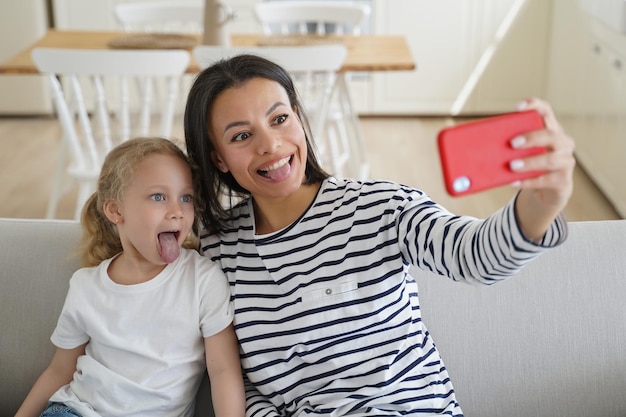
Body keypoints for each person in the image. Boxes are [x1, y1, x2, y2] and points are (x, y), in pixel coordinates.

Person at [183, 54, 575, 416]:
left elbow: (474, 256)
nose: (270, 144)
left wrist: (541, 203)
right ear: (217, 157)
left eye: (280, 119)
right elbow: (239, 382)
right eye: (240, 136)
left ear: (300, 118)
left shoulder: (381, 207)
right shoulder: (218, 251)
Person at [15, 137, 245, 417]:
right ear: (115, 211)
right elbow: (59, 370)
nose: (176, 211)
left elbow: (223, 371)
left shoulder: (203, 279)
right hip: (76, 411)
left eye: (185, 197)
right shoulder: (86, 285)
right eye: (158, 197)